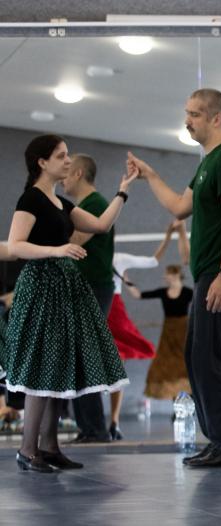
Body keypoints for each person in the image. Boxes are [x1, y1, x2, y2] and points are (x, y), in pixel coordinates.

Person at [127, 88, 221, 468]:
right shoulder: (208, 162)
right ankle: (220, 439)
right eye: (187, 113)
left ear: (216, 118)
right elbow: (179, 207)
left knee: (207, 356)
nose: (187, 121)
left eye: (195, 114)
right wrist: (150, 175)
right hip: (208, 273)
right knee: (197, 355)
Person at [6, 134, 132, 472]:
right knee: (41, 366)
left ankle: (49, 447)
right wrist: (57, 249)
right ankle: (27, 450)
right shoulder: (30, 199)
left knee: (56, 365)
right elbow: (16, 245)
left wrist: (123, 191)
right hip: (41, 287)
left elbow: (102, 224)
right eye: (61, 155)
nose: (67, 160)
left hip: (62, 289)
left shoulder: (60, 203)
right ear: (42, 162)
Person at [106, 221, 183, 437]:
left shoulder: (117, 259)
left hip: (113, 312)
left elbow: (153, 261)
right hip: (94, 310)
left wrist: (168, 234)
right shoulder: (83, 256)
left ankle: (114, 421)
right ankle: (103, 421)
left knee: (117, 368)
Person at [61, 153, 119, 443]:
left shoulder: (94, 204)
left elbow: (73, 241)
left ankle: (95, 429)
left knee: (85, 357)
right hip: (85, 287)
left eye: (67, 170)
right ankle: (88, 428)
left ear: (79, 173)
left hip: (93, 287)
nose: (63, 177)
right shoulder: (84, 206)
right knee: (78, 357)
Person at [128, 263, 193, 401]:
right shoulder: (163, 292)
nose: (164, 276)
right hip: (168, 333)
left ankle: (190, 399)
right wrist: (125, 279)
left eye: (167, 273)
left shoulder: (188, 292)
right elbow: (139, 295)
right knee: (167, 365)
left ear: (176, 275)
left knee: (184, 362)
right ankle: (176, 403)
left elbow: (203, 302)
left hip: (183, 331)